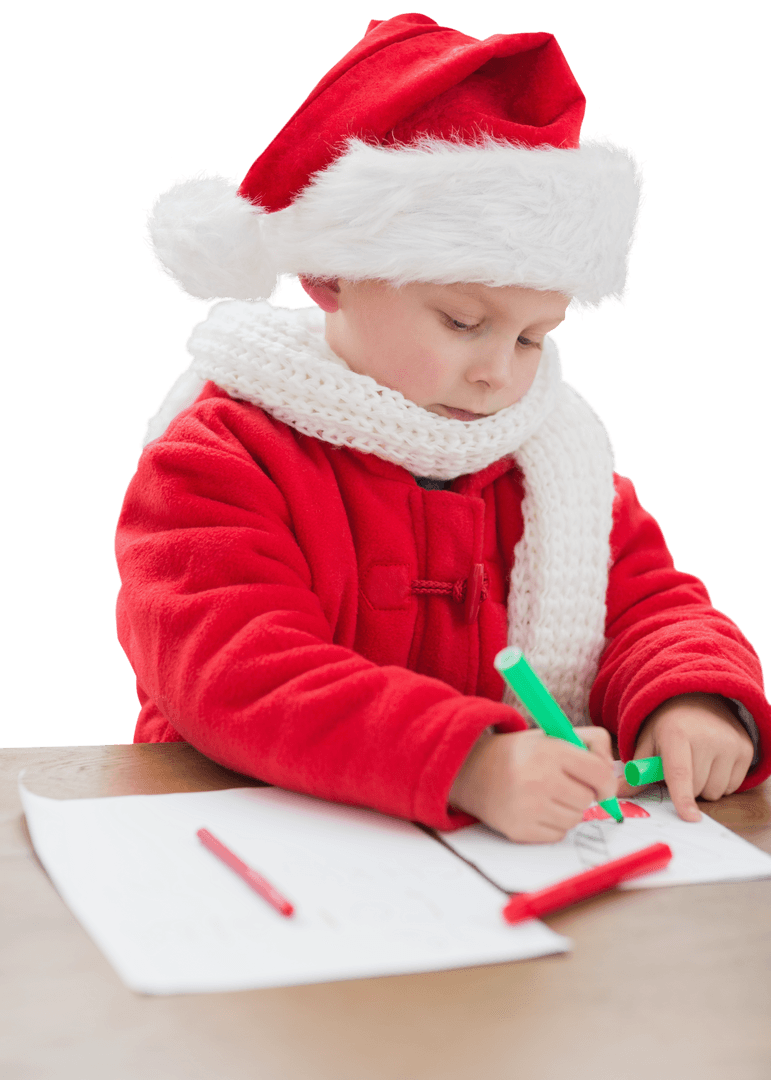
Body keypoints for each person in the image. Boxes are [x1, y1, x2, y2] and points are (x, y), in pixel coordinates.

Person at [115, 12, 769, 843]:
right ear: (332, 277)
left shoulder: (549, 457)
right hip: (252, 844)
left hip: (495, 868)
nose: (499, 371)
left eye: (534, 336)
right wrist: (468, 761)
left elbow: (647, 601)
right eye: (462, 321)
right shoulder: (218, 454)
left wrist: (691, 696)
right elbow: (230, 667)